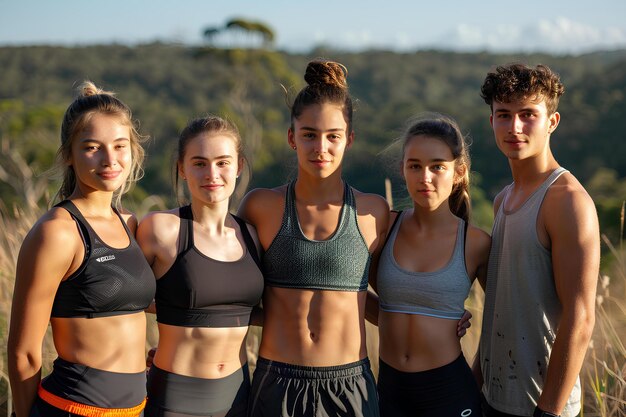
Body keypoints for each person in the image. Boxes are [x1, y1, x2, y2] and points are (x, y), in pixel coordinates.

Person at [238, 59, 390, 417]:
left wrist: (440, 319)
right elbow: (229, 293)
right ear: (292, 137)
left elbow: (387, 302)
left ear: (349, 140)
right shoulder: (261, 206)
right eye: (309, 134)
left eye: (333, 136)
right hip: (277, 383)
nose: (321, 147)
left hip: (350, 385)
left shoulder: (373, 212)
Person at [7, 82, 155, 417]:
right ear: (69, 155)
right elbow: (24, 354)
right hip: (74, 408)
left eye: (119, 146)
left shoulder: (130, 223)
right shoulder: (58, 233)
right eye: (92, 147)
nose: (109, 159)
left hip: (137, 408)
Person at [476, 63, 599, 417]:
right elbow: (506, 304)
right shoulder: (502, 199)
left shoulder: (566, 201)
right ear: (492, 122)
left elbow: (581, 319)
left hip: (541, 405)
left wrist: (549, 411)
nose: (514, 127)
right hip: (493, 397)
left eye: (528, 114)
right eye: (504, 115)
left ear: (552, 122)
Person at [136, 116, 264, 417]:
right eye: (199, 163)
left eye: (222, 162)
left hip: (238, 396)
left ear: (239, 166)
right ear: (182, 168)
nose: (212, 174)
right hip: (176, 397)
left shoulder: (253, 234)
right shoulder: (160, 229)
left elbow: (256, 310)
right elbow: (121, 300)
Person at [372, 114, 491, 416]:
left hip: (449, 390)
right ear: (403, 170)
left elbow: (502, 321)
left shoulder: (475, 243)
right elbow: (354, 296)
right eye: (415, 166)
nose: (425, 177)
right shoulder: (383, 227)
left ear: (458, 172)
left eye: (437, 166)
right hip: (388, 390)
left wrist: (477, 378)